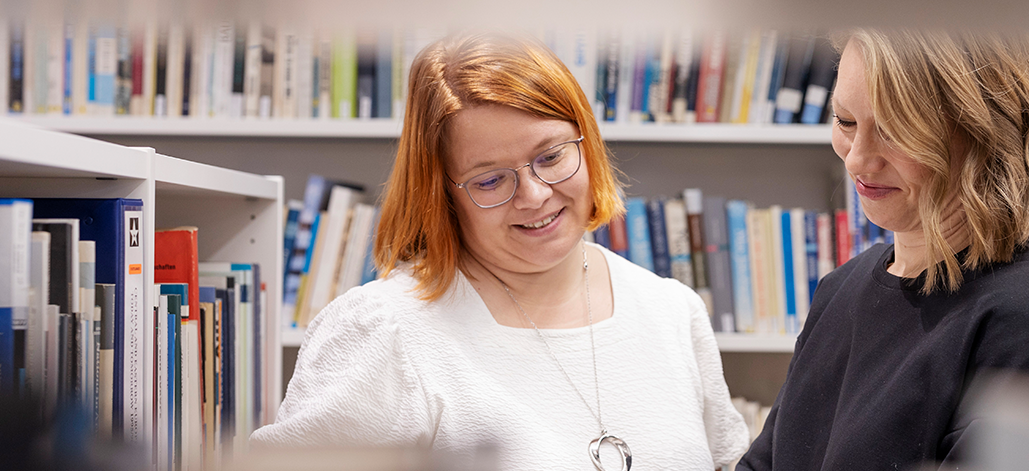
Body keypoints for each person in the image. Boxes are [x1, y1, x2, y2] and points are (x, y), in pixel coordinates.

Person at [250, 32, 749, 470]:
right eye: (490, 179)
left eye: (551, 156)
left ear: (588, 144)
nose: (534, 195)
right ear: (442, 192)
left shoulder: (671, 310)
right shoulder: (386, 330)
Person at [737, 29, 1029, 470]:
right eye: (846, 121)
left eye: (894, 131)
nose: (856, 159)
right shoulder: (839, 290)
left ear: (984, 135)